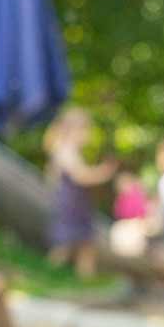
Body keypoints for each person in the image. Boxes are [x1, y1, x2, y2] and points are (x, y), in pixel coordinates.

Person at [44, 107, 116, 278]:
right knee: (67, 244)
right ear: (72, 130)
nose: (88, 135)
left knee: (86, 243)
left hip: (77, 204)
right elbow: (81, 176)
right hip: (71, 205)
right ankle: (51, 273)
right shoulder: (65, 150)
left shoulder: (70, 151)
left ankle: (85, 277)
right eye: (85, 130)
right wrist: (103, 173)